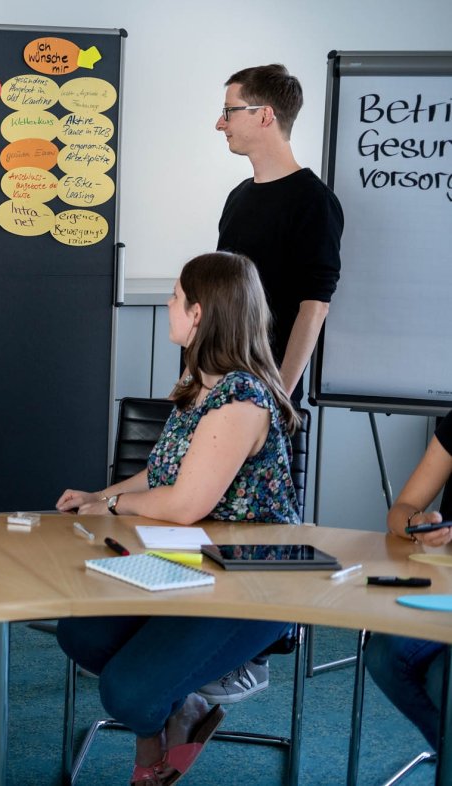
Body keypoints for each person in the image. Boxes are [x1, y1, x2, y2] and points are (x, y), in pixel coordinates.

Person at [54, 251, 300, 786]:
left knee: (128, 692)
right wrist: (99, 494)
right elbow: (159, 473)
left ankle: (157, 737)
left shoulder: (242, 395)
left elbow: (185, 503)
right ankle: (182, 707)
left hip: (252, 581)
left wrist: (112, 507)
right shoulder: (199, 384)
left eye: (173, 297)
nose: (167, 305)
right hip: (189, 562)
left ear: (199, 313)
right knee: (80, 634)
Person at [208, 62, 343, 704]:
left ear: (266, 115)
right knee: (217, 520)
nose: (220, 122)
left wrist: (279, 395)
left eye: (230, 110)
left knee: (266, 533)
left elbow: (314, 304)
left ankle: (258, 655)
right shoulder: (240, 197)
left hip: (271, 394)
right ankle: (210, 643)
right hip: (224, 385)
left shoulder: (313, 201)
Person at [364, 412, 452, 751]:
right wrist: (419, 524)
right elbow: (400, 511)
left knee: (442, 678)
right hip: (443, 586)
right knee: (383, 654)